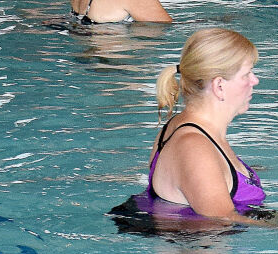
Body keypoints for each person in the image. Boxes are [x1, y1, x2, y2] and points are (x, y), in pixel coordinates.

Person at [112, 29, 269, 226]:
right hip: (209, 253)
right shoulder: (194, 147)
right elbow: (222, 221)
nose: (255, 81)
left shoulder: (185, 127)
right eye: (247, 74)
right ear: (219, 86)